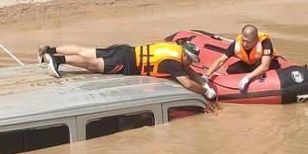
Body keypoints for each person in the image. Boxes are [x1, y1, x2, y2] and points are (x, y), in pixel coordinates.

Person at [38, 41, 217, 101]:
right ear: (185, 55)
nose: (190, 63)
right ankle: (59, 60)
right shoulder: (173, 63)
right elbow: (186, 83)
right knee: (92, 65)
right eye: (190, 59)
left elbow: (188, 69)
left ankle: (51, 50)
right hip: (126, 62)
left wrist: (201, 79)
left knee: (86, 51)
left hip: (125, 49)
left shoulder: (174, 49)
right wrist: (205, 91)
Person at [203, 25, 278, 92]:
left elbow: (265, 66)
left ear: (255, 40)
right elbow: (221, 60)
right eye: (243, 40)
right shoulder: (237, 43)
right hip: (250, 64)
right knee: (231, 70)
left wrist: (248, 77)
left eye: (248, 42)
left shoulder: (265, 42)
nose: (244, 44)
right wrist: (207, 75)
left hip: (263, 63)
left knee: (268, 70)